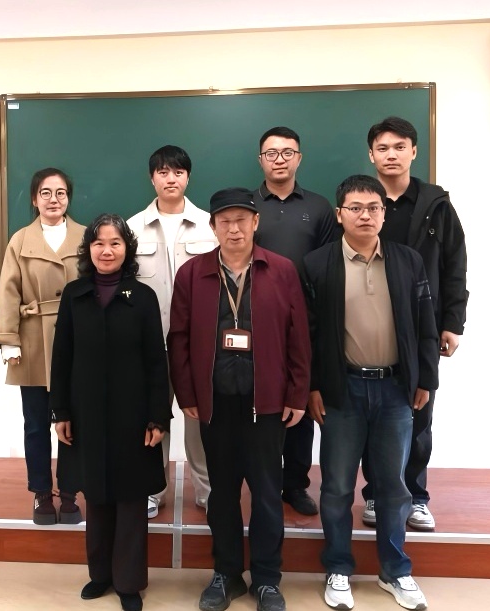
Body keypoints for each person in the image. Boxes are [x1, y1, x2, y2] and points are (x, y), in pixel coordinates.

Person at [168, 188, 311, 611]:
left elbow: (299, 336)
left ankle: (266, 579)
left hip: (266, 404)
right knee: (222, 494)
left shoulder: (281, 270)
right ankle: (226, 574)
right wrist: (186, 392)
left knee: (267, 494)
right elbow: (178, 339)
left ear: (255, 223)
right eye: (225, 221)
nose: (234, 229)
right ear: (213, 227)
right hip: (215, 404)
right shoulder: (193, 274)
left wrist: (297, 392)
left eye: (242, 220)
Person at [303, 175, 439, 610]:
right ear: (339, 214)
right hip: (342, 390)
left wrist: (426, 379)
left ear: (384, 213)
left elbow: (426, 324)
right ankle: (338, 568)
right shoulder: (317, 264)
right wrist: (312, 386)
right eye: (356, 208)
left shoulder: (408, 260)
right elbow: (308, 334)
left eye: (374, 208)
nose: (365, 215)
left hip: (396, 390)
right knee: (337, 487)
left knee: (393, 488)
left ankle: (395, 570)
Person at [50, 213, 171, 611]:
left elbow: (156, 361)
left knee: (131, 498)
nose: (106, 250)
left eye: (115, 243)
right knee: (97, 494)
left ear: (127, 249)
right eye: (99, 243)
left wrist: (158, 416)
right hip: (85, 413)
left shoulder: (143, 297)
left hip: (133, 416)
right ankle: (100, 574)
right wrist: (60, 411)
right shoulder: (75, 295)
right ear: (88, 249)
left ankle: (129, 582)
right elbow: (62, 356)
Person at [361, 117, 468, 532]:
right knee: (372, 414)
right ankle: (375, 494)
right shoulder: (360, 201)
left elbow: (455, 266)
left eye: (399, 147)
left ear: (414, 152)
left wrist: (453, 322)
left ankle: (416, 497)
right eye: (383, 148)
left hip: (423, 324)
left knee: (418, 413)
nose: (391, 155)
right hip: (368, 325)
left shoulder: (437, 205)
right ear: (371, 155)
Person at [0, 167, 86, 525]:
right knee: (35, 424)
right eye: (46, 193)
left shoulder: (87, 237)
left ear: (68, 198)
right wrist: (8, 340)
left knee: (75, 423)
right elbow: (8, 292)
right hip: (32, 343)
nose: (53, 200)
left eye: (61, 193)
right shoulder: (20, 241)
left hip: (77, 343)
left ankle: (70, 493)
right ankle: (41, 493)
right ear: (34, 198)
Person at [252, 126, 339, 517]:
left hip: (305, 320)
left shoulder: (319, 207)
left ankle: (296, 484)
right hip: (255, 321)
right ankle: (265, 481)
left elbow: (328, 267)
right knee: (262, 404)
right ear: (261, 160)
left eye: (288, 152)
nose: (280, 160)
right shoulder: (247, 206)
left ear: (299, 158)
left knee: (300, 402)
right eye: (271, 153)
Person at [127, 144, 217, 519]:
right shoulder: (131, 228)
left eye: (178, 172)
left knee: (201, 419)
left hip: (197, 345)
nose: (171, 179)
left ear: (187, 177)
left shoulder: (210, 225)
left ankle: (208, 490)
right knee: (151, 418)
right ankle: (152, 489)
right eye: (163, 172)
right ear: (152, 178)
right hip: (148, 346)